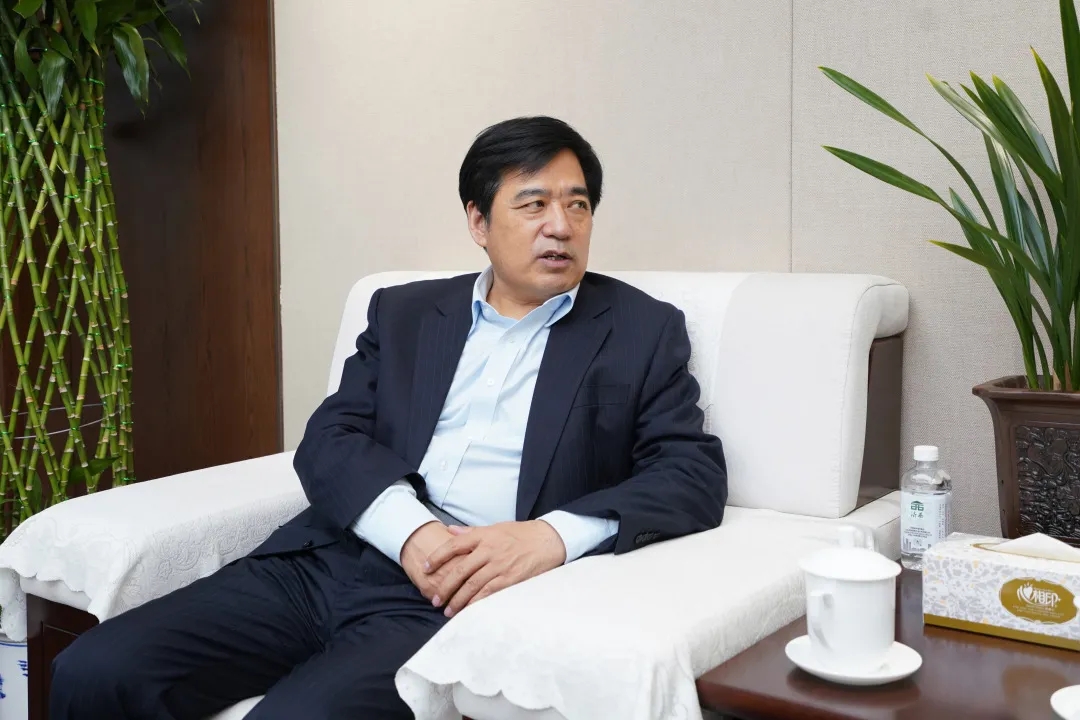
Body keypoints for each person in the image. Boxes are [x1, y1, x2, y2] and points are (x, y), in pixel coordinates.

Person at [49, 116, 727, 719]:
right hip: (328, 557)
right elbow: (329, 437)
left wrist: (548, 537)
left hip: (453, 595)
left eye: (578, 205)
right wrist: (410, 532)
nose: (561, 225)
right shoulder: (405, 313)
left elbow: (690, 474)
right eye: (533, 204)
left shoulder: (639, 329)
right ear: (478, 222)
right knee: (96, 670)